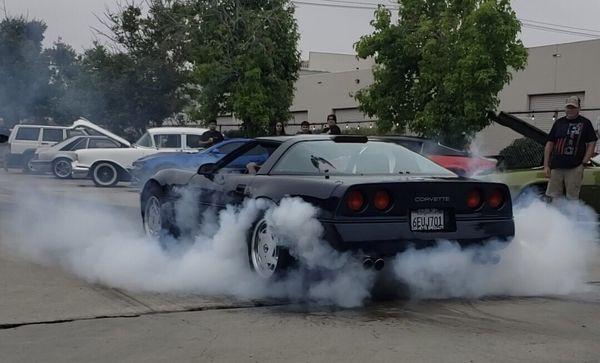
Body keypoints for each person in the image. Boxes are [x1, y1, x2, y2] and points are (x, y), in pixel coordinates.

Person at [544, 96, 597, 200]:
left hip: (575, 167)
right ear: (565, 108)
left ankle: (572, 216)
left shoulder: (585, 123)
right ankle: (554, 216)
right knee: (553, 197)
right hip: (556, 167)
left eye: (573, 107)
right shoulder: (558, 123)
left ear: (578, 108)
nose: (570, 110)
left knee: (572, 198)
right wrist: (546, 165)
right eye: (568, 107)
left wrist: (584, 162)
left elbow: (592, 142)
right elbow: (549, 143)